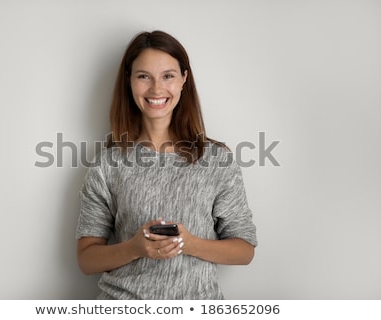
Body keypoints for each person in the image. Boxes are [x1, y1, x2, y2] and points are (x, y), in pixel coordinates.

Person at [76, 30, 257, 299]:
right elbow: (86, 259)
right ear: (129, 81)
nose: (156, 89)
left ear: (184, 79)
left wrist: (189, 243)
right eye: (143, 76)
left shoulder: (217, 160)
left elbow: (245, 250)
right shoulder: (108, 163)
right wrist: (135, 248)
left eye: (168, 76)